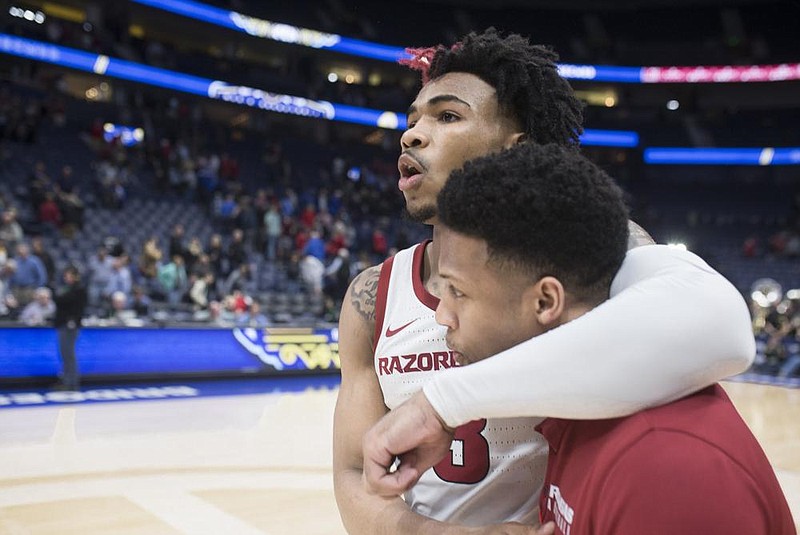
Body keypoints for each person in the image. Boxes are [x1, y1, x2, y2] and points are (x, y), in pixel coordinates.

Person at [334, 29, 755, 533]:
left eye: (447, 116)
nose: (412, 134)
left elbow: (719, 324)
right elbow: (357, 473)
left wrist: (442, 401)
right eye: (413, 120)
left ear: (519, 149)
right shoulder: (372, 295)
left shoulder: (580, 242)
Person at [426, 143, 791, 533]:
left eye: (457, 292)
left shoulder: (666, 470)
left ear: (547, 300)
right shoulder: (581, 408)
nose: (441, 315)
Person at [53, 265, 88, 391]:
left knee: (69, 354)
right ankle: (66, 380)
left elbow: (75, 307)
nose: (66, 277)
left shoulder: (78, 290)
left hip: (69, 326)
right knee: (65, 354)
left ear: (74, 276)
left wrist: (73, 320)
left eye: (68, 275)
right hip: (63, 324)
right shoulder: (68, 289)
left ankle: (71, 383)